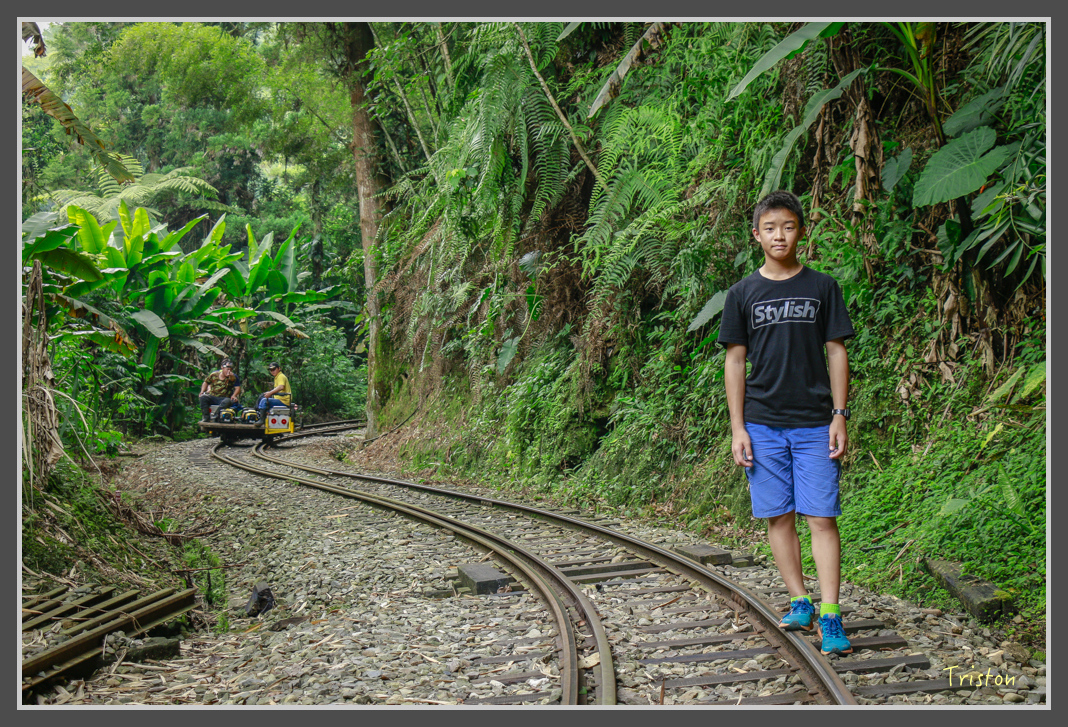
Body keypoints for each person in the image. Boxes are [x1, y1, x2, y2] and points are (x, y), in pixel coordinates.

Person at [717, 190, 855, 656]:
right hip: (762, 424)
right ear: (756, 235)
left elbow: (836, 351)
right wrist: (738, 427)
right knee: (778, 516)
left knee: (821, 517)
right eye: (771, 228)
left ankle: (831, 614)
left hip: (816, 423)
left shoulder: (823, 287)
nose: (780, 235)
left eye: (789, 226)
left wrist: (839, 415)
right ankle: (800, 600)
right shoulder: (742, 294)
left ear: (801, 231)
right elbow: (735, 362)